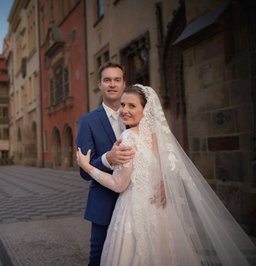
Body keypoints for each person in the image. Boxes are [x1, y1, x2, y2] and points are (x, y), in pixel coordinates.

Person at [76, 84, 256, 265]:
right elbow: (168, 168)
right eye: (123, 105)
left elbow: (119, 185)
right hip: (161, 212)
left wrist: (87, 166)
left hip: (133, 211)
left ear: (145, 110)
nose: (124, 110)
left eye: (132, 106)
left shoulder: (129, 137)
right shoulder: (158, 138)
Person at [75, 61, 134, 265]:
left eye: (117, 80)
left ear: (124, 84)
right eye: (107, 80)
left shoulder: (136, 117)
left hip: (136, 201)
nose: (112, 84)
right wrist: (107, 159)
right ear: (99, 84)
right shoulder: (87, 121)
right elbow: (84, 171)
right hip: (103, 203)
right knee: (99, 258)